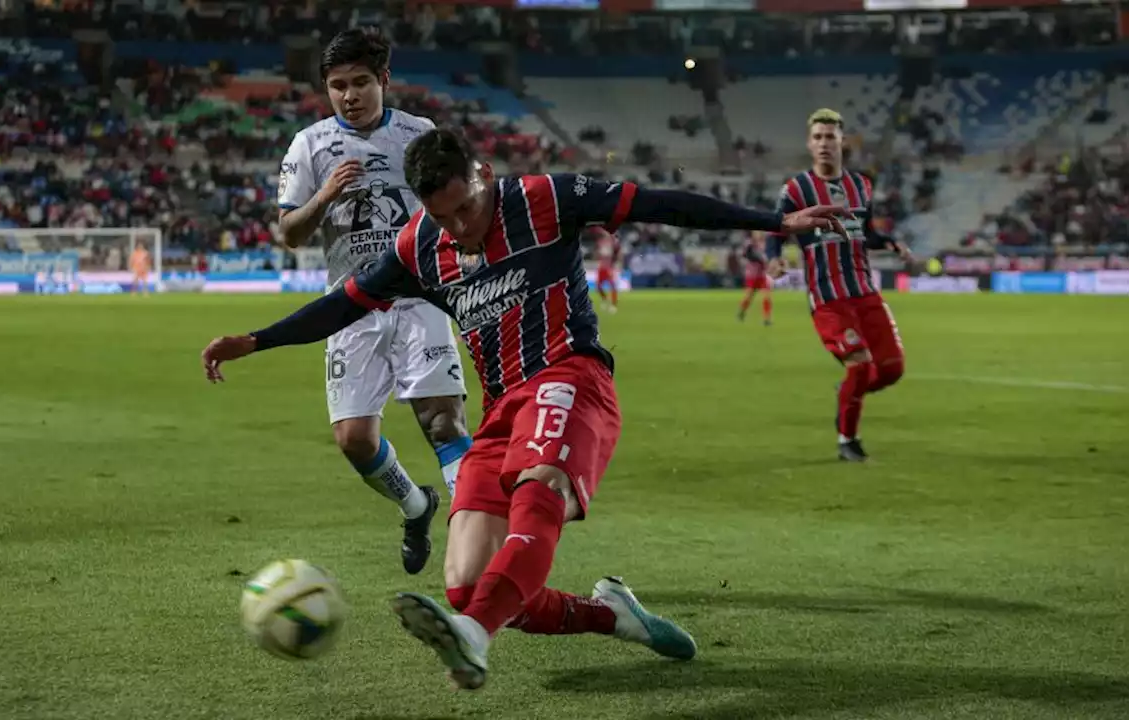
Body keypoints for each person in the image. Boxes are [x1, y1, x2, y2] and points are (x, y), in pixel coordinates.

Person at [201, 127, 849, 690]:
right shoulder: (419, 245)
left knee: (535, 505)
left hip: (571, 377)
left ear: (481, 176)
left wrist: (773, 223)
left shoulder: (545, 197)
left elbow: (659, 204)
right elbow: (341, 304)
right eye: (443, 217)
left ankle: (474, 639)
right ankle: (611, 615)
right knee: (466, 586)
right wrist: (256, 341)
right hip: (504, 409)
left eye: (465, 209)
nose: (459, 228)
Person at [274, 29, 472, 574]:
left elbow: (454, 205)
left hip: (418, 298)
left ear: (383, 80)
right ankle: (416, 505)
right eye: (338, 86)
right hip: (351, 307)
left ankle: (478, 534)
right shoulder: (308, 145)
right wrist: (324, 195)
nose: (349, 95)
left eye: (361, 82)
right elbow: (289, 233)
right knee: (355, 440)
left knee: (444, 423)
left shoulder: (419, 133)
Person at [766, 108, 914, 462]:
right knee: (860, 364)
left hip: (865, 291)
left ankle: (849, 390)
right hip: (828, 298)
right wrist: (773, 257)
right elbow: (776, 229)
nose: (824, 144)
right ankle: (848, 440)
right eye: (817, 137)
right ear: (809, 143)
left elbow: (867, 234)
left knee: (892, 369)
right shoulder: (796, 189)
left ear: (841, 142)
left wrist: (889, 243)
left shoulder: (861, 185)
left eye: (830, 137)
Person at [737, 230, 773, 325]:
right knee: (749, 297)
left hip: (762, 275)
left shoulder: (765, 243)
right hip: (752, 274)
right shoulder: (749, 244)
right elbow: (747, 255)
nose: (759, 234)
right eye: (756, 232)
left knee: (767, 296)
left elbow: (768, 256)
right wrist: (761, 259)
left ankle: (766, 319)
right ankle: (741, 312)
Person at [591, 226, 621, 313]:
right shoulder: (600, 243)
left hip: (609, 267)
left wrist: (618, 264)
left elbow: (617, 254)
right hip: (601, 267)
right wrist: (596, 255)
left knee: (613, 286)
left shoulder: (613, 243)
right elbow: (596, 255)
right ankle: (604, 299)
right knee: (598, 287)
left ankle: (614, 305)